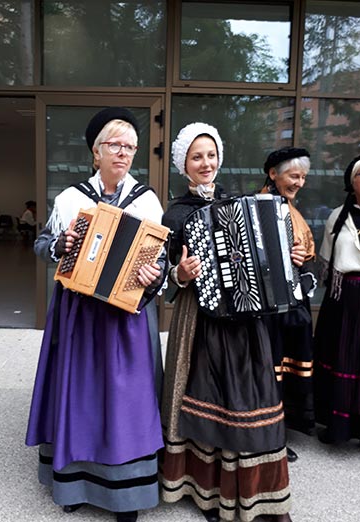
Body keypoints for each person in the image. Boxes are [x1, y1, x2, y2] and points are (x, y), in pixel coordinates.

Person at [25, 107, 166, 522]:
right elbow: (42, 246)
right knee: (78, 394)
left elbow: (157, 264)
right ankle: (72, 485)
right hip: (79, 315)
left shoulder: (146, 201)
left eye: (130, 147)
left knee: (127, 402)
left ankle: (126, 495)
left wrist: (152, 275)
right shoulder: (71, 199)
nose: (123, 153)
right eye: (114, 145)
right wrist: (61, 246)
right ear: (96, 152)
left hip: (127, 318)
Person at [161, 123, 292, 522]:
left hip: (245, 321)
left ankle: (255, 491)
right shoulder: (176, 212)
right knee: (206, 398)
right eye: (197, 157)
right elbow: (165, 273)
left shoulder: (242, 203)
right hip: (199, 319)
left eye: (211, 155)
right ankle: (206, 491)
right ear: (184, 164)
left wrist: (288, 256)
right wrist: (180, 273)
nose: (206, 163)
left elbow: (267, 255)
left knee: (249, 399)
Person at [260, 147, 316, 462]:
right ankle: (269, 434)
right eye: (294, 176)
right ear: (273, 174)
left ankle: (281, 430)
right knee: (270, 368)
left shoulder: (293, 210)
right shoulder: (261, 207)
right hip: (268, 307)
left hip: (292, 305)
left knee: (285, 367)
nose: (300, 183)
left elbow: (308, 259)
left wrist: (300, 266)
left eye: (303, 177)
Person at [314, 155, 360, 444]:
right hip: (343, 298)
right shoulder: (336, 216)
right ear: (352, 181)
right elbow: (326, 262)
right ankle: (337, 427)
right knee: (340, 357)